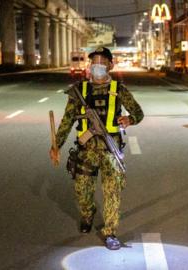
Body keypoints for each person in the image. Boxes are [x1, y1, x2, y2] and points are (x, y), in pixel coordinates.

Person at [49, 47, 144, 250]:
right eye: (94, 62)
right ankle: (88, 213)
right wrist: (56, 144)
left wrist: (130, 119)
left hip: (110, 151)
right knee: (82, 192)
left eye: (102, 62)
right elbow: (67, 120)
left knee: (112, 192)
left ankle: (110, 232)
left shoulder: (119, 89)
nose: (97, 66)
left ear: (110, 65)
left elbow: (138, 112)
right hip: (86, 151)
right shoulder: (78, 91)